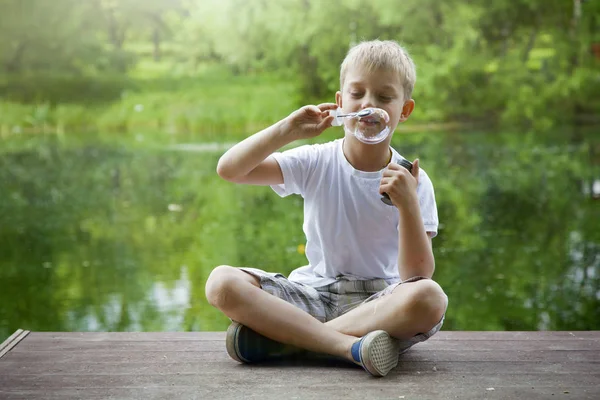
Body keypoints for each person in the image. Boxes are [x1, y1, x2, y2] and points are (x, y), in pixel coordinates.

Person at [205, 39, 448, 377]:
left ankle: (293, 339)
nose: (368, 105)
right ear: (340, 102)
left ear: (404, 110)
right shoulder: (317, 160)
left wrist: (408, 205)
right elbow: (230, 170)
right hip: (312, 294)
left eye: (384, 97)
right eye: (357, 93)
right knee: (221, 283)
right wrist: (287, 130)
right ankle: (348, 347)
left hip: (378, 306)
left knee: (429, 298)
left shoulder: (412, 180)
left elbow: (415, 276)